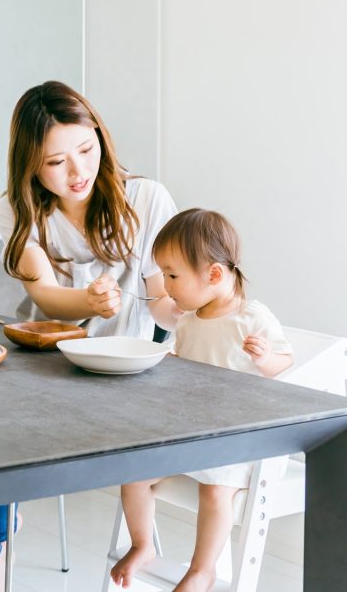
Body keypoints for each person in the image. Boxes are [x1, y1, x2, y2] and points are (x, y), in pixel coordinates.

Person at [0, 81, 184, 591]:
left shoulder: (147, 198)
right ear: (29, 165)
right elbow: (44, 295)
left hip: (124, 373)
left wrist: (181, 305)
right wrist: (88, 302)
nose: (77, 172)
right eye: (54, 162)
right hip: (45, 359)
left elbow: (161, 299)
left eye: (86, 150)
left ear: (100, 139)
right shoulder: (19, 211)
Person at [110, 209, 292, 591]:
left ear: (213, 275)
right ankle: (143, 544)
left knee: (214, 490)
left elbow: (283, 363)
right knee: (133, 473)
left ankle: (202, 569)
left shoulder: (251, 318)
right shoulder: (189, 321)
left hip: (238, 438)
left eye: (172, 275)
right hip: (192, 432)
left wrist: (264, 358)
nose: (165, 284)